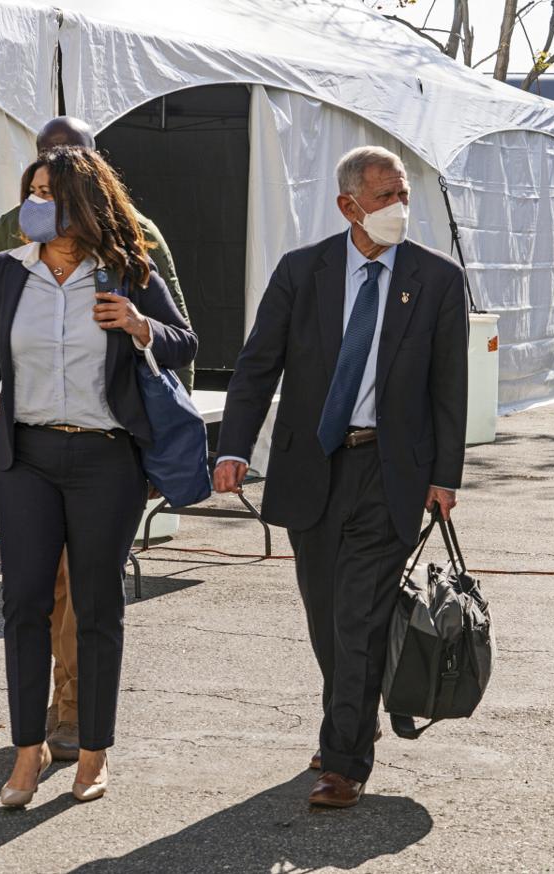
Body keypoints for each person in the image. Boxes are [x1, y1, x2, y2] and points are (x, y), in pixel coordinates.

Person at [215, 145, 468, 809]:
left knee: (358, 617)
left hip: (390, 471)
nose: (398, 209)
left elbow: (449, 388)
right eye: (384, 197)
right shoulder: (305, 272)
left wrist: (446, 477)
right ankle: (348, 718)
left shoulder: (435, 279)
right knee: (327, 620)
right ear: (347, 205)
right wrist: (232, 447)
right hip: (312, 468)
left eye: (403, 194)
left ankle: (345, 760)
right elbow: (257, 365)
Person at [0, 146, 197, 806]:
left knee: (96, 607)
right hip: (25, 458)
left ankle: (91, 754)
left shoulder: (126, 271)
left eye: (46, 192)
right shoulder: (6, 273)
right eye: (30, 190)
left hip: (105, 461)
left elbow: (185, 342)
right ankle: (26, 754)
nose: (33, 203)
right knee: (22, 604)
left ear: (80, 203)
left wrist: (142, 327)